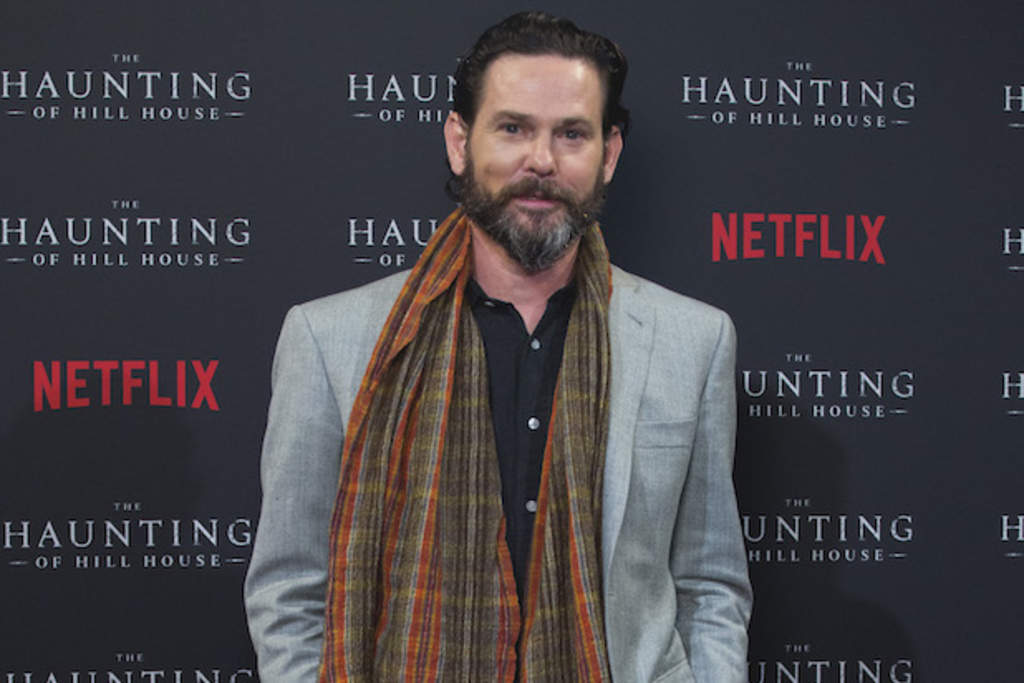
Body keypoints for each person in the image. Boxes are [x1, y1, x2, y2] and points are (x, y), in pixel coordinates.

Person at [245, 11, 751, 682]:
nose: (541, 160)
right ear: (460, 142)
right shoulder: (329, 340)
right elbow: (290, 588)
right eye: (513, 128)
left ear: (609, 153)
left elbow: (709, 583)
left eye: (571, 133)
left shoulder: (693, 341)